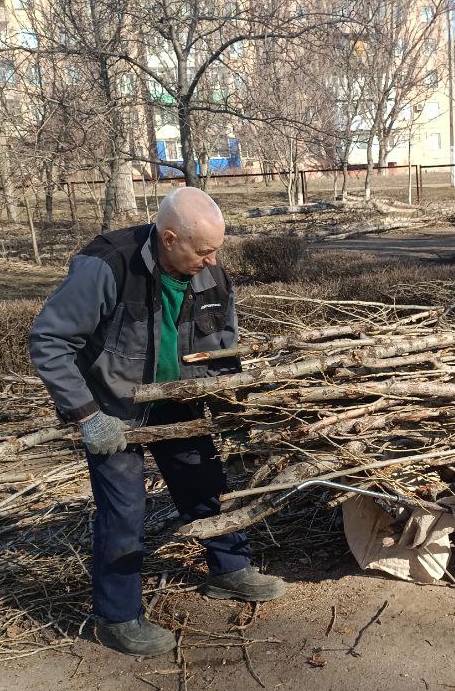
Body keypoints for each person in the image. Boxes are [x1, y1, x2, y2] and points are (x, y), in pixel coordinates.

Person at [29, 186, 284, 657]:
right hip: (113, 409)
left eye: (216, 250)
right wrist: (87, 415)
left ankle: (230, 570)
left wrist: (232, 412)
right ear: (169, 239)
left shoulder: (210, 274)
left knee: (207, 484)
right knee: (124, 511)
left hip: (178, 398)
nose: (212, 260)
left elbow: (223, 348)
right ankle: (117, 618)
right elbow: (49, 340)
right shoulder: (107, 266)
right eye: (203, 250)